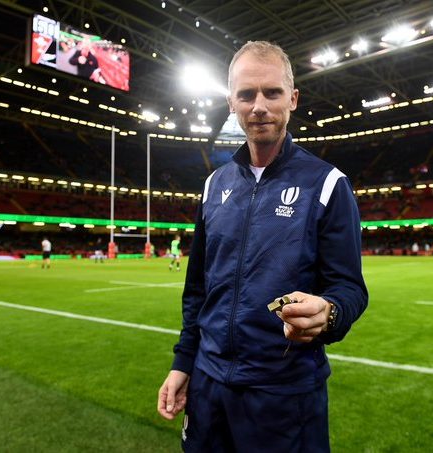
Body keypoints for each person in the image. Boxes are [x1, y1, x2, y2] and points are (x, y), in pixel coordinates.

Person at [157, 41, 368, 452]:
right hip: (209, 385)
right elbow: (198, 289)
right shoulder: (214, 185)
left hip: (284, 394)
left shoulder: (327, 184)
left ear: (293, 99)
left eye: (271, 92)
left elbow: (350, 288)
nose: (259, 106)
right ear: (231, 102)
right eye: (246, 94)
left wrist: (331, 312)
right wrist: (184, 363)